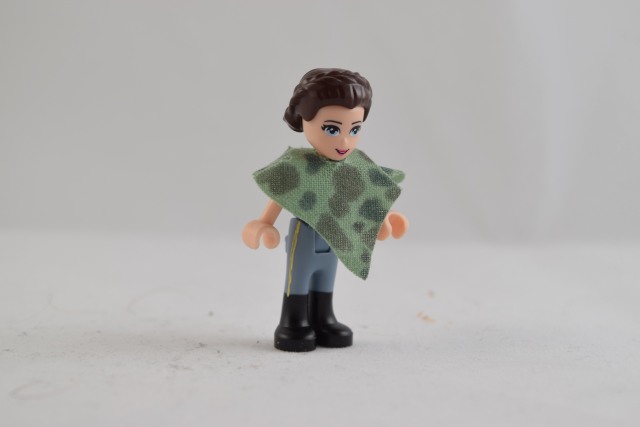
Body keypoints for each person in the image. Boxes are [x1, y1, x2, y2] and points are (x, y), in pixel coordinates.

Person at [242, 68, 408, 352]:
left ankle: (323, 318)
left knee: (325, 280)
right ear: (303, 121)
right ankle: (293, 321)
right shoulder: (295, 169)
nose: (344, 141)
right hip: (305, 237)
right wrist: (262, 226)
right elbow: (267, 214)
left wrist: (383, 220)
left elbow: (364, 205)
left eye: (354, 129)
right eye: (332, 129)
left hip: (336, 237)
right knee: (298, 280)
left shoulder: (355, 169)